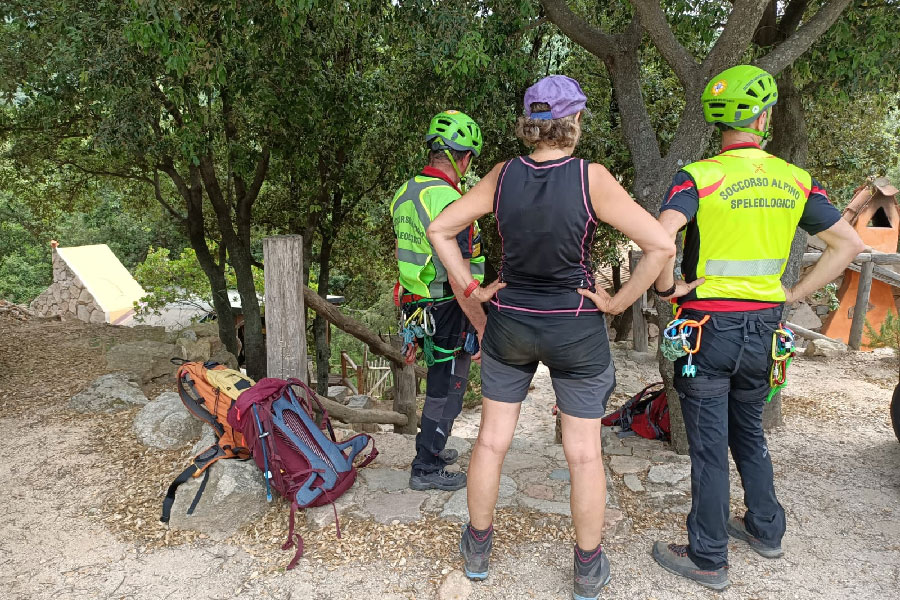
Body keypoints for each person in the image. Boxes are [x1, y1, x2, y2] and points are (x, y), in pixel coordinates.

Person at [427, 75, 675, 600]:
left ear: (530, 124)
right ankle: (587, 568)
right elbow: (660, 246)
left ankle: (477, 549)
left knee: (492, 441)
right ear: (575, 121)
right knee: (583, 454)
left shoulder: (502, 174)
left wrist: (472, 288)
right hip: (575, 327)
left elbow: (439, 230)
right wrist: (617, 302)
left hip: (510, 323)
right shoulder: (592, 179)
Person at [647, 65, 864, 590]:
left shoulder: (698, 176)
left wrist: (665, 286)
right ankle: (766, 530)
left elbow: (662, 235)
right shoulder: (794, 180)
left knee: (708, 445)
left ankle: (708, 556)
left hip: (707, 328)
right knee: (749, 432)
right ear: (763, 117)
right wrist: (794, 293)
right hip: (766, 330)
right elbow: (849, 245)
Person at [390, 110, 488, 492]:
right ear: (462, 158)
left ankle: (432, 445)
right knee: (446, 385)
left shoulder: (404, 192)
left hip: (415, 304)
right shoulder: (451, 201)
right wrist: (479, 322)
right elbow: (462, 271)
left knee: (441, 379)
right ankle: (426, 465)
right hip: (448, 304)